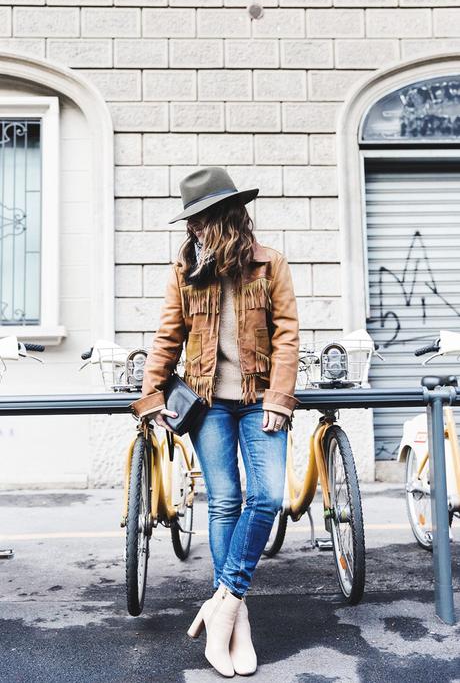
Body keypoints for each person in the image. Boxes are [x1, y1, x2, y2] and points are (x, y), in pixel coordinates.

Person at [133, 166, 300, 678]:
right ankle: (238, 622)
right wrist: (149, 397)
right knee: (225, 500)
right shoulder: (186, 270)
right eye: (193, 223)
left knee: (268, 496)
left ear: (226, 216)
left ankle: (223, 604)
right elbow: (168, 336)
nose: (196, 230)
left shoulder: (269, 264)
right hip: (207, 404)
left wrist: (279, 397)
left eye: (202, 219)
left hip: (258, 401)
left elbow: (287, 335)